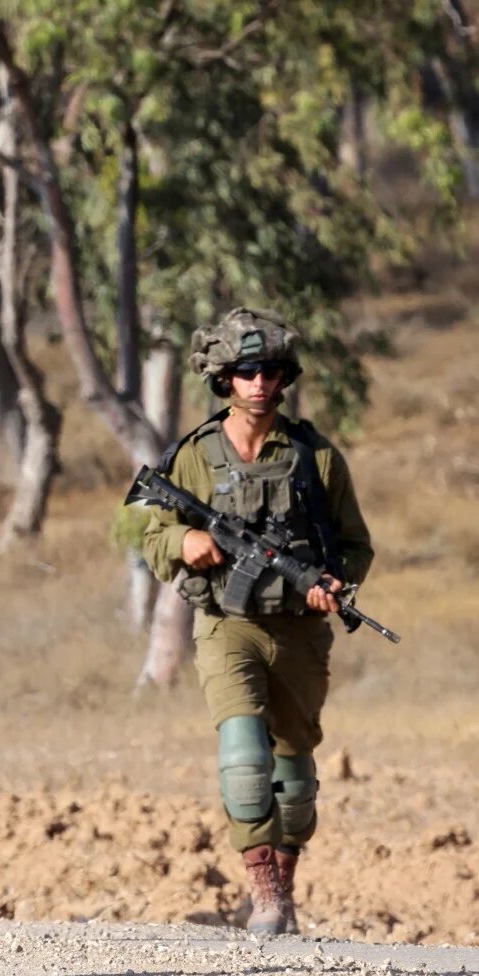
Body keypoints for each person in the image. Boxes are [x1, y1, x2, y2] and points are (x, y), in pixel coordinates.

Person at [140, 307, 374, 936]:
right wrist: (185, 542)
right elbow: (154, 537)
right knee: (244, 761)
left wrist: (335, 584)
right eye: (247, 372)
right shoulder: (194, 456)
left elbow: (355, 545)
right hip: (226, 624)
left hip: (299, 632)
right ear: (224, 379)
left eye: (271, 371)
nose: (260, 384)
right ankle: (263, 892)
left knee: (293, 781)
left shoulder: (315, 457)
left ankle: (284, 885)